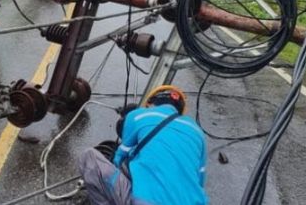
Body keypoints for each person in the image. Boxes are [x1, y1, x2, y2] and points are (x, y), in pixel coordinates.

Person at [77, 85, 208, 205]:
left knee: (89, 158)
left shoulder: (138, 115)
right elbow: (199, 181)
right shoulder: (198, 132)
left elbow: (118, 159)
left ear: (150, 103)